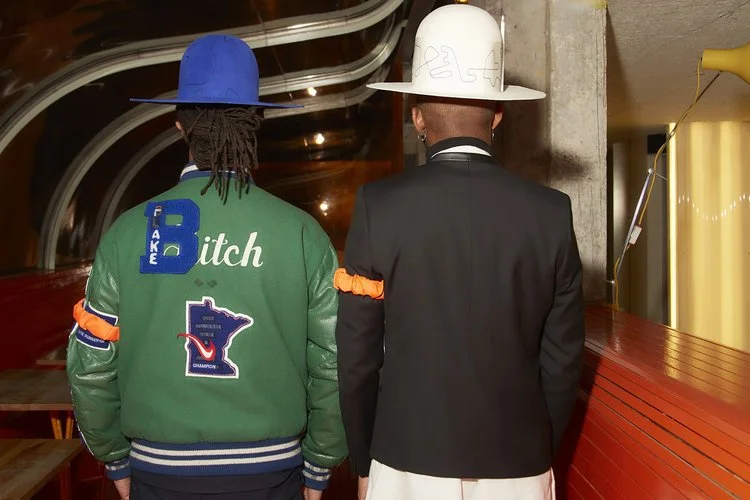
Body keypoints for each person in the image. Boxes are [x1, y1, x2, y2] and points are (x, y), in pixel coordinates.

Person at [67, 34, 347, 500]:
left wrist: (114, 457)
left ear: (180, 126)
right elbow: (335, 359)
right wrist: (320, 464)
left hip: (159, 471)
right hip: (272, 473)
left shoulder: (126, 232)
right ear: (255, 123)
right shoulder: (302, 234)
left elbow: (91, 362)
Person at [334, 5, 585, 500]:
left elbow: (357, 358)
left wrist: (363, 458)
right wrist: (536, 451)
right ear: (497, 115)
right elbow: (561, 365)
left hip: (405, 465)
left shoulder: (378, 207)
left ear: (417, 117)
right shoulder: (552, 213)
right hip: (518, 466)